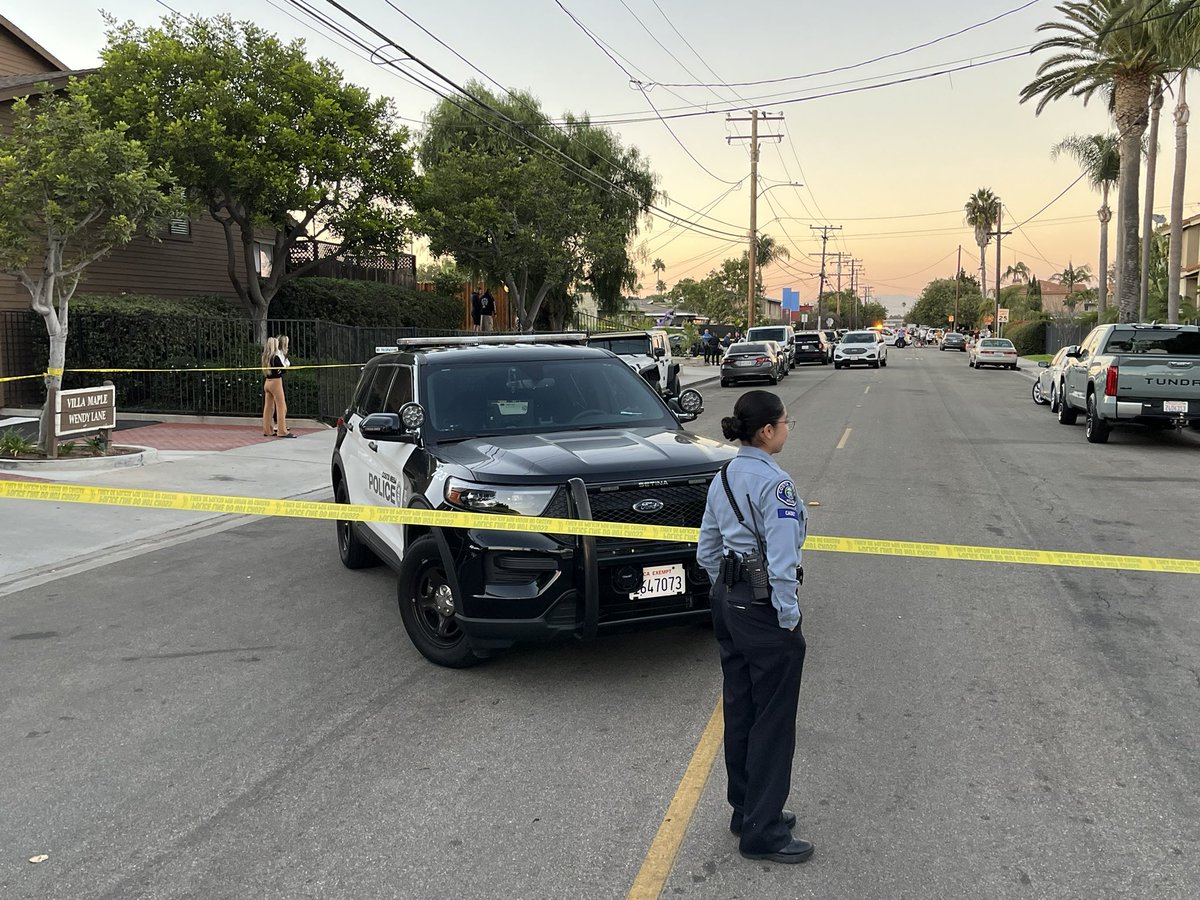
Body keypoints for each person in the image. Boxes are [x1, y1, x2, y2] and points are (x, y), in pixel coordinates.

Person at [697, 390, 812, 864]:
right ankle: (762, 832)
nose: (788, 428)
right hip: (764, 609)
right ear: (767, 431)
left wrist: (726, 588)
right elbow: (783, 560)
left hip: (728, 601)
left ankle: (746, 808)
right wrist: (786, 616)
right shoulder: (774, 483)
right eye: (785, 421)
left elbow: (707, 547)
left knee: (741, 708)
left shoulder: (723, 475)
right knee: (773, 720)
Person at [262, 336, 295, 438]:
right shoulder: (275, 358)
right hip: (276, 382)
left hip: (267, 382)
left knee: (268, 407)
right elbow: (283, 369)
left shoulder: (265, 357)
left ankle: (267, 430)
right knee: (281, 407)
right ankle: (282, 431)